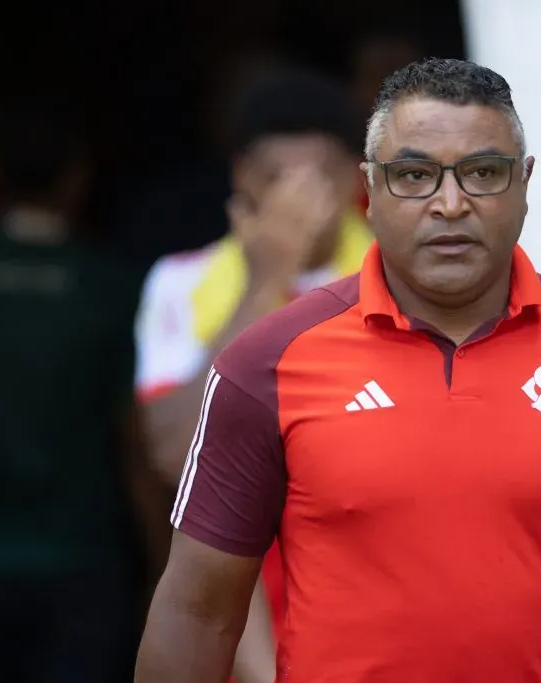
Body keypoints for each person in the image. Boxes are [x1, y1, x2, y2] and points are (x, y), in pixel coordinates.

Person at [134, 57, 541, 683]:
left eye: (483, 173)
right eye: (415, 175)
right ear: (369, 189)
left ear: (525, 184)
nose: (451, 204)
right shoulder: (269, 362)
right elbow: (198, 609)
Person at [0, 94, 166, 683]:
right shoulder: (114, 291)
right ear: (78, 177)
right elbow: (136, 444)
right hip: (78, 570)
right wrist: (161, 567)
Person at [132, 67, 372, 682]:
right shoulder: (182, 279)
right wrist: (269, 278)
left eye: (314, 179)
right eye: (274, 179)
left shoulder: (399, 275)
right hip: (241, 626)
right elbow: (173, 450)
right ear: (240, 178)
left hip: (372, 614)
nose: (294, 200)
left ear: (354, 179)